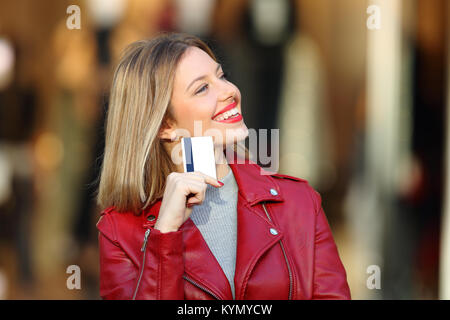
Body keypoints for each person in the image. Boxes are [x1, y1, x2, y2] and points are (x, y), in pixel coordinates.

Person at [95, 32, 351, 300]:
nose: (229, 91)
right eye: (202, 88)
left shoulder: (299, 203)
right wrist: (165, 234)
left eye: (221, 76)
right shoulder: (119, 232)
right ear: (165, 126)